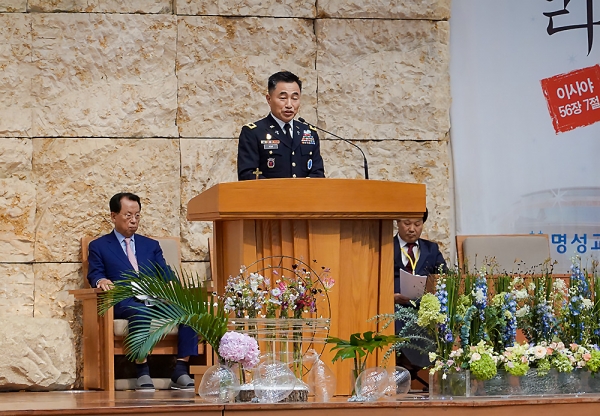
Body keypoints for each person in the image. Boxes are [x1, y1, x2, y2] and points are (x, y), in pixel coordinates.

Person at [87, 192, 198, 391]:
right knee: (140, 312)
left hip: (154, 299)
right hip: (124, 302)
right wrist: (101, 280)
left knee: (188, 310)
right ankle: (142, 370)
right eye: (128, 215)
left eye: (137, 216)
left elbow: (165, 272)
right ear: (114, 216)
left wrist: (171, 283)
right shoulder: (99, 246)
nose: (133, 221)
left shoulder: (151, 245)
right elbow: (95, 273)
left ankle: (180, 369)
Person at [237, 71, 325, 180]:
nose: (289, 105)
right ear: (269, 99)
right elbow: (247, 174)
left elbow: (318, 173)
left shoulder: (309, 132)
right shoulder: (254, 132)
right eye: (283, 98)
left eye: (294, 98)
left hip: (303, 196)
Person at [394, 209, 447, 382]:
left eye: (417, 224)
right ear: (397, 222)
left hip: (423, 305)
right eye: (407, 223)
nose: (412, 229)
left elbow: (444, 277)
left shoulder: (431, 249)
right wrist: (390, 296)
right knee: (396, 315)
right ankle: (405, 363)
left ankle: (410, 365)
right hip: (394, 303)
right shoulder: (386, 247)